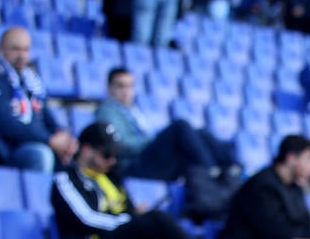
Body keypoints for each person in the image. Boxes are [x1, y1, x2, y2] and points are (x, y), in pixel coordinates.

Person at [51, 122, 224, 239]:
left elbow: (128, 209)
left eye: (115, 154)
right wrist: (130, 220)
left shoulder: (112, 176)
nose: (112, 160)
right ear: (86, 149)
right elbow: (86, 218)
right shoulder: (66, 180)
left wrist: (133, 217)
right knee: (156, 219)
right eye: (106, 154)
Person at [94, 67, 237, 181]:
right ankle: (211, 170)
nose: (126, 91)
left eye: (130, 86)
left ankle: (231, 166)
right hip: (135, 164)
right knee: (180, 127)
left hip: (148, 157)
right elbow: (120, 144)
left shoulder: (132, 109)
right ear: (109, 88)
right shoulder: (107, 111)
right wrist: (152, 140)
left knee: (199, 133)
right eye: (121, 86)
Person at [0, 27, 76, 172]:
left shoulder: (30, 82)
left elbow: (47, 116)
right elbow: (6, 123)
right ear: (1, 49)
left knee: (74, 160)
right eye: (15, 49)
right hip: (7, 149)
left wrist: (62, 137)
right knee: (41, 155)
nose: (21, 55)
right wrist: (48, 140)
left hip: (36, 141)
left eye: (25, 50)